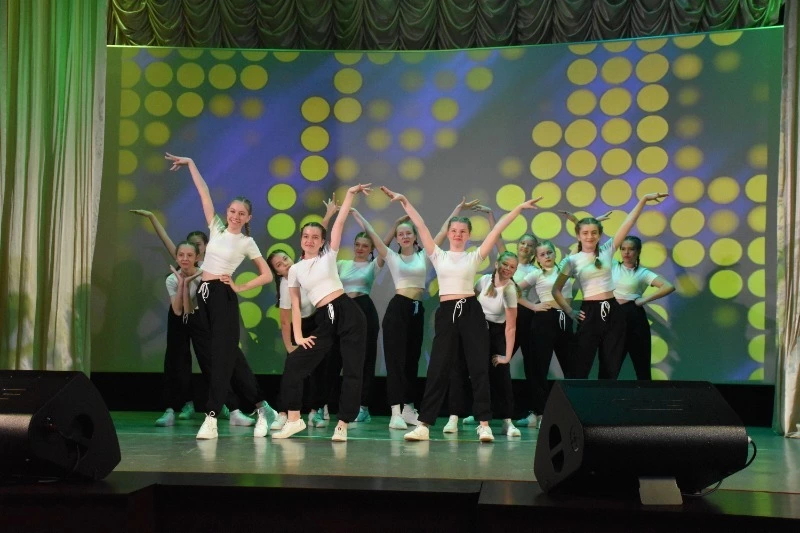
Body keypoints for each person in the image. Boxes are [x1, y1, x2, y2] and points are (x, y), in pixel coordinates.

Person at [381, 187, 541, 443]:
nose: (457, 234)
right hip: (447, 313)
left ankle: (484, 424)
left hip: (470, 312)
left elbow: (498, 229)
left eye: (462, 231)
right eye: (454, 230)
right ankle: (424, 425)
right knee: (438, 368)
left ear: (468, 235)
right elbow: (420, 225)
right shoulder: (437, 254)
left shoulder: (474, 256)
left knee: (478, 368)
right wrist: (405, 202)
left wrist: (519, 209)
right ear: (449, 233)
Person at [165, 153, 278, 440]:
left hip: (222, 297)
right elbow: (203, 193)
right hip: (203, 296)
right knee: (230, 358)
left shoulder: (247, 242)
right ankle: (263, 407)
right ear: (227, 212)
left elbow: (266, 274)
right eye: (232, 211)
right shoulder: (215, 229)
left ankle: (212, 417)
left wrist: (239, 287)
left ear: (248, 218)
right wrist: (191, 163)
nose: (235, 216)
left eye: (241, 213)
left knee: (221, 358)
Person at [351, 198, 480, 430]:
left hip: (417, 310)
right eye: (400, 234)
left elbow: (443, 230)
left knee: (412, 361)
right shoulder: (392, 256)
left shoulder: (424, 255)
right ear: (397, 238)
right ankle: (395, 412)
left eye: (408, 233)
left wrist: (458, 208)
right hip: (398, 309)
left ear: (414, 236)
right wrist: (355, 212)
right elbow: (374, 235)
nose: (404, 236)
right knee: (395, 361)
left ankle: (409, 409)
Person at [130, 209, 250, 426]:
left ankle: (230, 406)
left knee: (212, 361)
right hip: (179, 316)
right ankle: (174, 407)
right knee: (175, 360)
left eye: (198, 245)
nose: (188, 254)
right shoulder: (178, 271)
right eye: (184, 251)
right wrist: (153, 218)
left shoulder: (209, 267)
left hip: (201, 317)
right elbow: (167, 242)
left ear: (205, 248)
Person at [272, 184, 371, 442]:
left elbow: (339, 223)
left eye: (315, 237)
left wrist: (350, 195)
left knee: (352, 370)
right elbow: (295, 305)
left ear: (322, 241)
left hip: (348, 313)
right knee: (295, 364)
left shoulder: (328, 256)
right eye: (306, 236)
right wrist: (297, 337)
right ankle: (294, 419)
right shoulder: (295, 270)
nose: (310, 240)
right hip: (324, 318)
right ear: (301, 240)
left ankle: (343, 423)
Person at [551, 193, 668, 380]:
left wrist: (643, 200)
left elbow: (628, 223)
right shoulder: (572, 261)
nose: (590, 236)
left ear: (599, 235)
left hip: (614, 312)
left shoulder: (607, 250)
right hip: (590, 312)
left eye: (594, 233)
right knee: (581, 364)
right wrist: (570, 311)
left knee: (611, 366)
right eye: (585, 233)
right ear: (578, 236)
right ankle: (576, 398)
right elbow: (555, 290)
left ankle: (604, 397)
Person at [515, 240, 575, 427]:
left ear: (555, 253)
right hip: (544, 320)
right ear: (537, 259)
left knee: (571, 367)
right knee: (539, 368)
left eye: (549, 252)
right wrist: (533, 306)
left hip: (565, 319)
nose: (547, 256)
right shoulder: (536, 274)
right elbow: (513, 290)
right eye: (542, 254)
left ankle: (573, 412)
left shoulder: (565, 270)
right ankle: (539, 413)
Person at [610, 236, 675, 379]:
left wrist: (644, 300)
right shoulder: (613, 266)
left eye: (631, 249)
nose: (626, 253)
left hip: (634, 315)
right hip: (614, 315)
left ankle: (645, 391)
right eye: (623, 249)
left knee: (641, 362)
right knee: (611, 362)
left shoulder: (642, 272)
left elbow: (668, 286)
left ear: (638, 251)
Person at [475, 251, 523, 437]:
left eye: (512, 267)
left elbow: (511, 327)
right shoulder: (484, 280)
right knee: (479, 374)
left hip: (497, 332)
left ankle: (507, 421)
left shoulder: (509, 291)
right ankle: (480, 416)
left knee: (502, 376)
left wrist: (507, 356)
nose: (508, 269)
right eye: (505, 264)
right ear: (496, 264)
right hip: (479, 330)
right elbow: (472, 299)